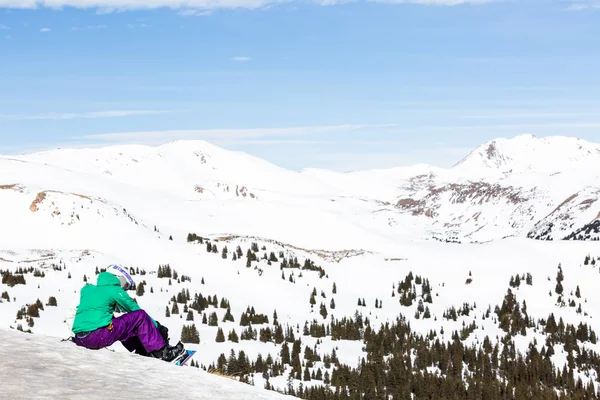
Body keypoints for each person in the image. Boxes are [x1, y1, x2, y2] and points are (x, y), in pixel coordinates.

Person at [70, 264, 186, 362]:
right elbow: (134, 309)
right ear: (118, 277)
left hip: (81, 339)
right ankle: (163, 354)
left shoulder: (87, 289)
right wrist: (157, 326)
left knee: (120, 324)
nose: (125, 289)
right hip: (97, 337)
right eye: (125, 284)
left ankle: (143, 350)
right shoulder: (114, 290)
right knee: (140, 316)